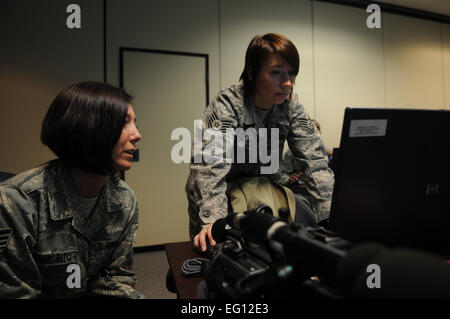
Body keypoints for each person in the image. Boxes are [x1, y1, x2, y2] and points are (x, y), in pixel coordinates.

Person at [186, 33, 334, 252]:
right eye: (276, 73)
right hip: (220, 192)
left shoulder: (292, 104)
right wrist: (213, 221)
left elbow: (314, 159)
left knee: (269, 253)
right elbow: (210, 166)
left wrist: (329, 218)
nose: (287, 83)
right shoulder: (227, 104)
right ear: (252, 72)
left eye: (291, 74)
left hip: (261, 189)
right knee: (219, 253)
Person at [0, 81, 143, 298]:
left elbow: (113, 281)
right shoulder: (18, 202)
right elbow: (17, 293)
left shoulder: (124, 200)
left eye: (134, 123)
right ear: (89, 128)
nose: (137, 134)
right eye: (124, 123)